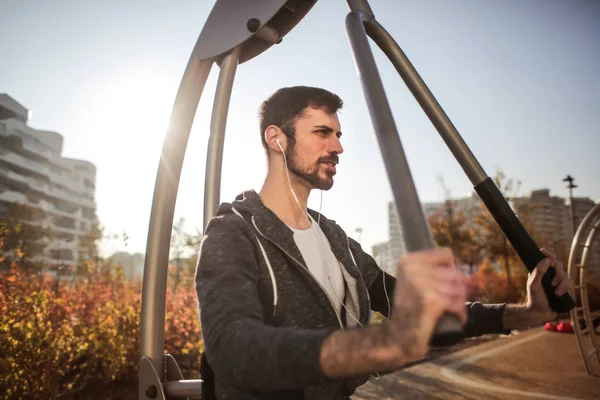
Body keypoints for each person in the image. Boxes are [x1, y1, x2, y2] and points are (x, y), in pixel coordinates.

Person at [195, 86, 570, 400]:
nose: (338, 147)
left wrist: (525, 313)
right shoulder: (233, 233)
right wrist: (380, 343)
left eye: (338, 135)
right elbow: (232, 350)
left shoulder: (336, 239)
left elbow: (420, 310)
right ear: (277, 138)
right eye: (322, 133)